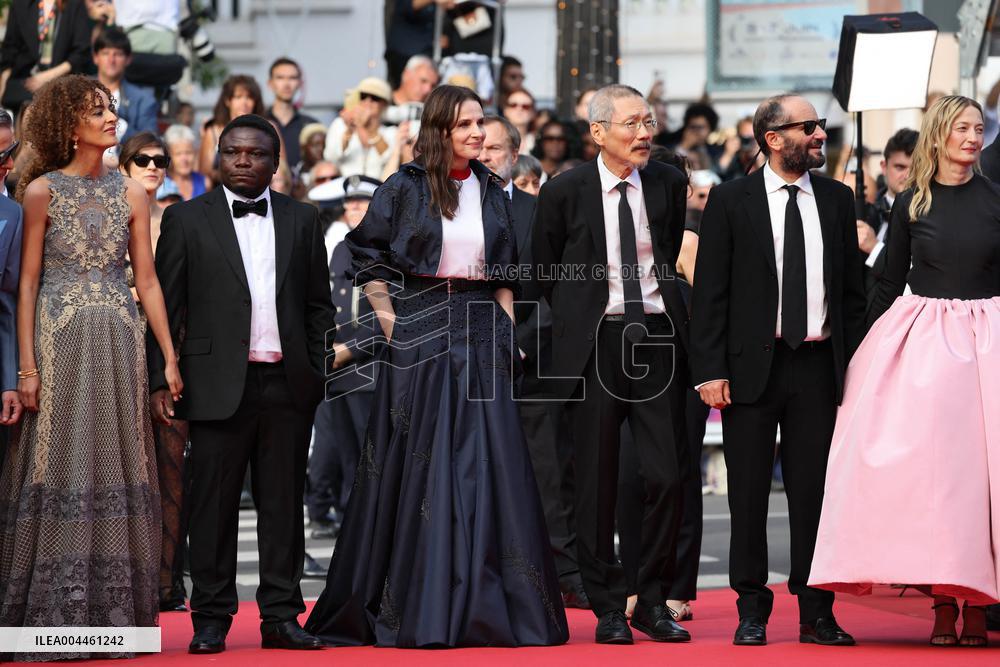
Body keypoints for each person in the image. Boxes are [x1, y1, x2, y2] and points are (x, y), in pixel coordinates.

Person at [305, 84, 569, 648]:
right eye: (465, 125)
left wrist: (505, 336)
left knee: (489, 463)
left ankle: (490, 604)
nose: (478, 133)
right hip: (420, 325)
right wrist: (391, 322)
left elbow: (504, 274)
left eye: (480, 123)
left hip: (481, 330)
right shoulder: (402, 187)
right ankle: (413, 603)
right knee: (418, 465)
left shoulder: (495, 190)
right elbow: (365, 255)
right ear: (439, 131)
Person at [0, 74, 181, 660]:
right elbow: (25, 286)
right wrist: (26, 368)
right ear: (66, 125)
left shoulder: (133, 194)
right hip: (58, 341)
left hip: (120, 343)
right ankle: (50, 621)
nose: (110, 118)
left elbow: (147, 281)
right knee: (57, 457)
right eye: (96, 111)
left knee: (119, 460)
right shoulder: (40, 192)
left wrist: (168, 357)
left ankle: (114, 620)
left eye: (110, 108)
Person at [809, 95, 1000, 648]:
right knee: (940, 482)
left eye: (977, 127)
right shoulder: (911, 202)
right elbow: (890, 283)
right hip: (927, 347)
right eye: (961, 127)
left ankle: (981, 605)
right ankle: (944, 601)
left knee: (985, 478)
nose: (972, 136)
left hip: (988, 341)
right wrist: (859, 353)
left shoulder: (995, 199)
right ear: (939, 133)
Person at [148, 113, 334, 654]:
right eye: (233, 152)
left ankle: (281, 616)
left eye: (256, 154)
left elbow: (319, 306)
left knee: (283, 505)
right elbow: (167, 305)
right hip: (214, 385)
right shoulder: (186, 218)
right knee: (212, 506)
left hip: (288, 383)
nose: (244, 161)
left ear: (276, 164)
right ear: (218, 157)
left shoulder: (303, 219)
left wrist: (318, 372)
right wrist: (162, 377)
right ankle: (211, 618)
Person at [690, 93, 866, 647]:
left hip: (817, 365)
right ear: (772, 138)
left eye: (820, 126)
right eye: (808, 126)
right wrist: (710, 369)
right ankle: (751, 608)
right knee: (746, 494)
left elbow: (852, 296)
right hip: (748, 369)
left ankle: (816, 611)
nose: (820, 135)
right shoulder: (730, 199)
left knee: (815, 495)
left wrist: (859, 369)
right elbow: (712, 292)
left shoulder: (838, 200)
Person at [531, 84, 691, 645]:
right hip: (594, 344)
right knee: (595, 483)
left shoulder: (669, 182)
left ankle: (651, 600)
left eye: (648, 122)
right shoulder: (565, 191)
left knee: (667, 477)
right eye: (631, 124)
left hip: (654, 340)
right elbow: (544, 270)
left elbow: (666, 254)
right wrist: (582, 320)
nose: (644, 133)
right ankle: (605, 607)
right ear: (598, 132)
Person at [480, 113, 588, 609]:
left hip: (532, 361)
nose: (483, 156)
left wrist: (517, 343)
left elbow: (557, 291)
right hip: (456, 361)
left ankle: (565, 571)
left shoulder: (539, 209)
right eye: (476, 147)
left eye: (494, 150)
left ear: (515, 154)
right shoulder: (444, 209)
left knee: (548, 472)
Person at [118, 131, 190, 612]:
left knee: (170, 472)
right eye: (141, 159)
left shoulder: (174, 221)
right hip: (111, 353)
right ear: (123, 165)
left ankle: (166, 583)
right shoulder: (104, 216)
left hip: (165, 357)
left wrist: (170, 367)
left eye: (160, 161)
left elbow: (182, 302)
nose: (152, 167)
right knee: (119, 473)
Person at [307, 175, 383, 541]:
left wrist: (348, 351)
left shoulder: (389, 250)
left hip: (369, 369)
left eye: (362, 202)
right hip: (333, 369)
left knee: (367, 459)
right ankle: (342, 518)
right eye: (350, 203)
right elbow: (329, 305)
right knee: (335, 450)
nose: (353, 209)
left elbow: (389, 318)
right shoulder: (341, 248)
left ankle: (366, 528)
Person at [855, 128, 918, 305]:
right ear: (884, 167)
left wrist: (875, 249)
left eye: (915, 168)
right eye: (900, 167)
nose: (907, 176)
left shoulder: (934, 214)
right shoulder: (863, 213)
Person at [0, 0, 92, 114]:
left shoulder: (74, 4)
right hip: (25, 87)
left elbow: (81, 52)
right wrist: (3, 87)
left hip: (62, 88)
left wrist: (47, 77)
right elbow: (9, 50)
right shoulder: (21, 4)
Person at [0, 111, 23, 472]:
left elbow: (8, 304)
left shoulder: (13, 214)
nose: (8, 163)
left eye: (9, 152)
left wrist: (9, 382)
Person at [92, 26, 157, 142]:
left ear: (128, 59)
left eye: (118, 54)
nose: (111, 60)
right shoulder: (79, 92)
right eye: (106, 53)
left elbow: (149, 143)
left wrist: (120, 125)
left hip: (122, 159)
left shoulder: (145, 100)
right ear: (95, 57)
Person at [324, 77, 396, 180]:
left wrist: (370, 129)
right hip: (344, 189)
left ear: (384, 104)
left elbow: (389, 160)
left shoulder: (391, 132)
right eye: (363, 96)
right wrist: (349, 131)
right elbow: (330, 156)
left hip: (376, 191)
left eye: (375, 98)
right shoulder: (340, 124)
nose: (368, 101)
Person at [199, 74, 266, 177]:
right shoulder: (214, 132)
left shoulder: (267, 130)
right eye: (238, 97)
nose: (244, 102)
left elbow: (280, 171)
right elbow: (204, 173)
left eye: (249, 97)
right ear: (227, 101)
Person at [266, 57, 318, 169]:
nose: (286, 84)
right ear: (270, 83)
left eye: (292, 78)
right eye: (280, 78)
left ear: (300, 83)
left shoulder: (312, 126)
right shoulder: (259, 124)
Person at [162, 123, 211, 201]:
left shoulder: (205, 183)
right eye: (178, 154)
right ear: (168, 155)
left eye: (188, 152)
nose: (184, 159)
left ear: (195, 153)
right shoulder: (161, 184)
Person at [503, 88, 537, 155]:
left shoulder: (539, 143)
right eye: (513, 105)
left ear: (533, 112)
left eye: (525, 106)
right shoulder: (493, 139)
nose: (519, 109)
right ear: (505, 110)